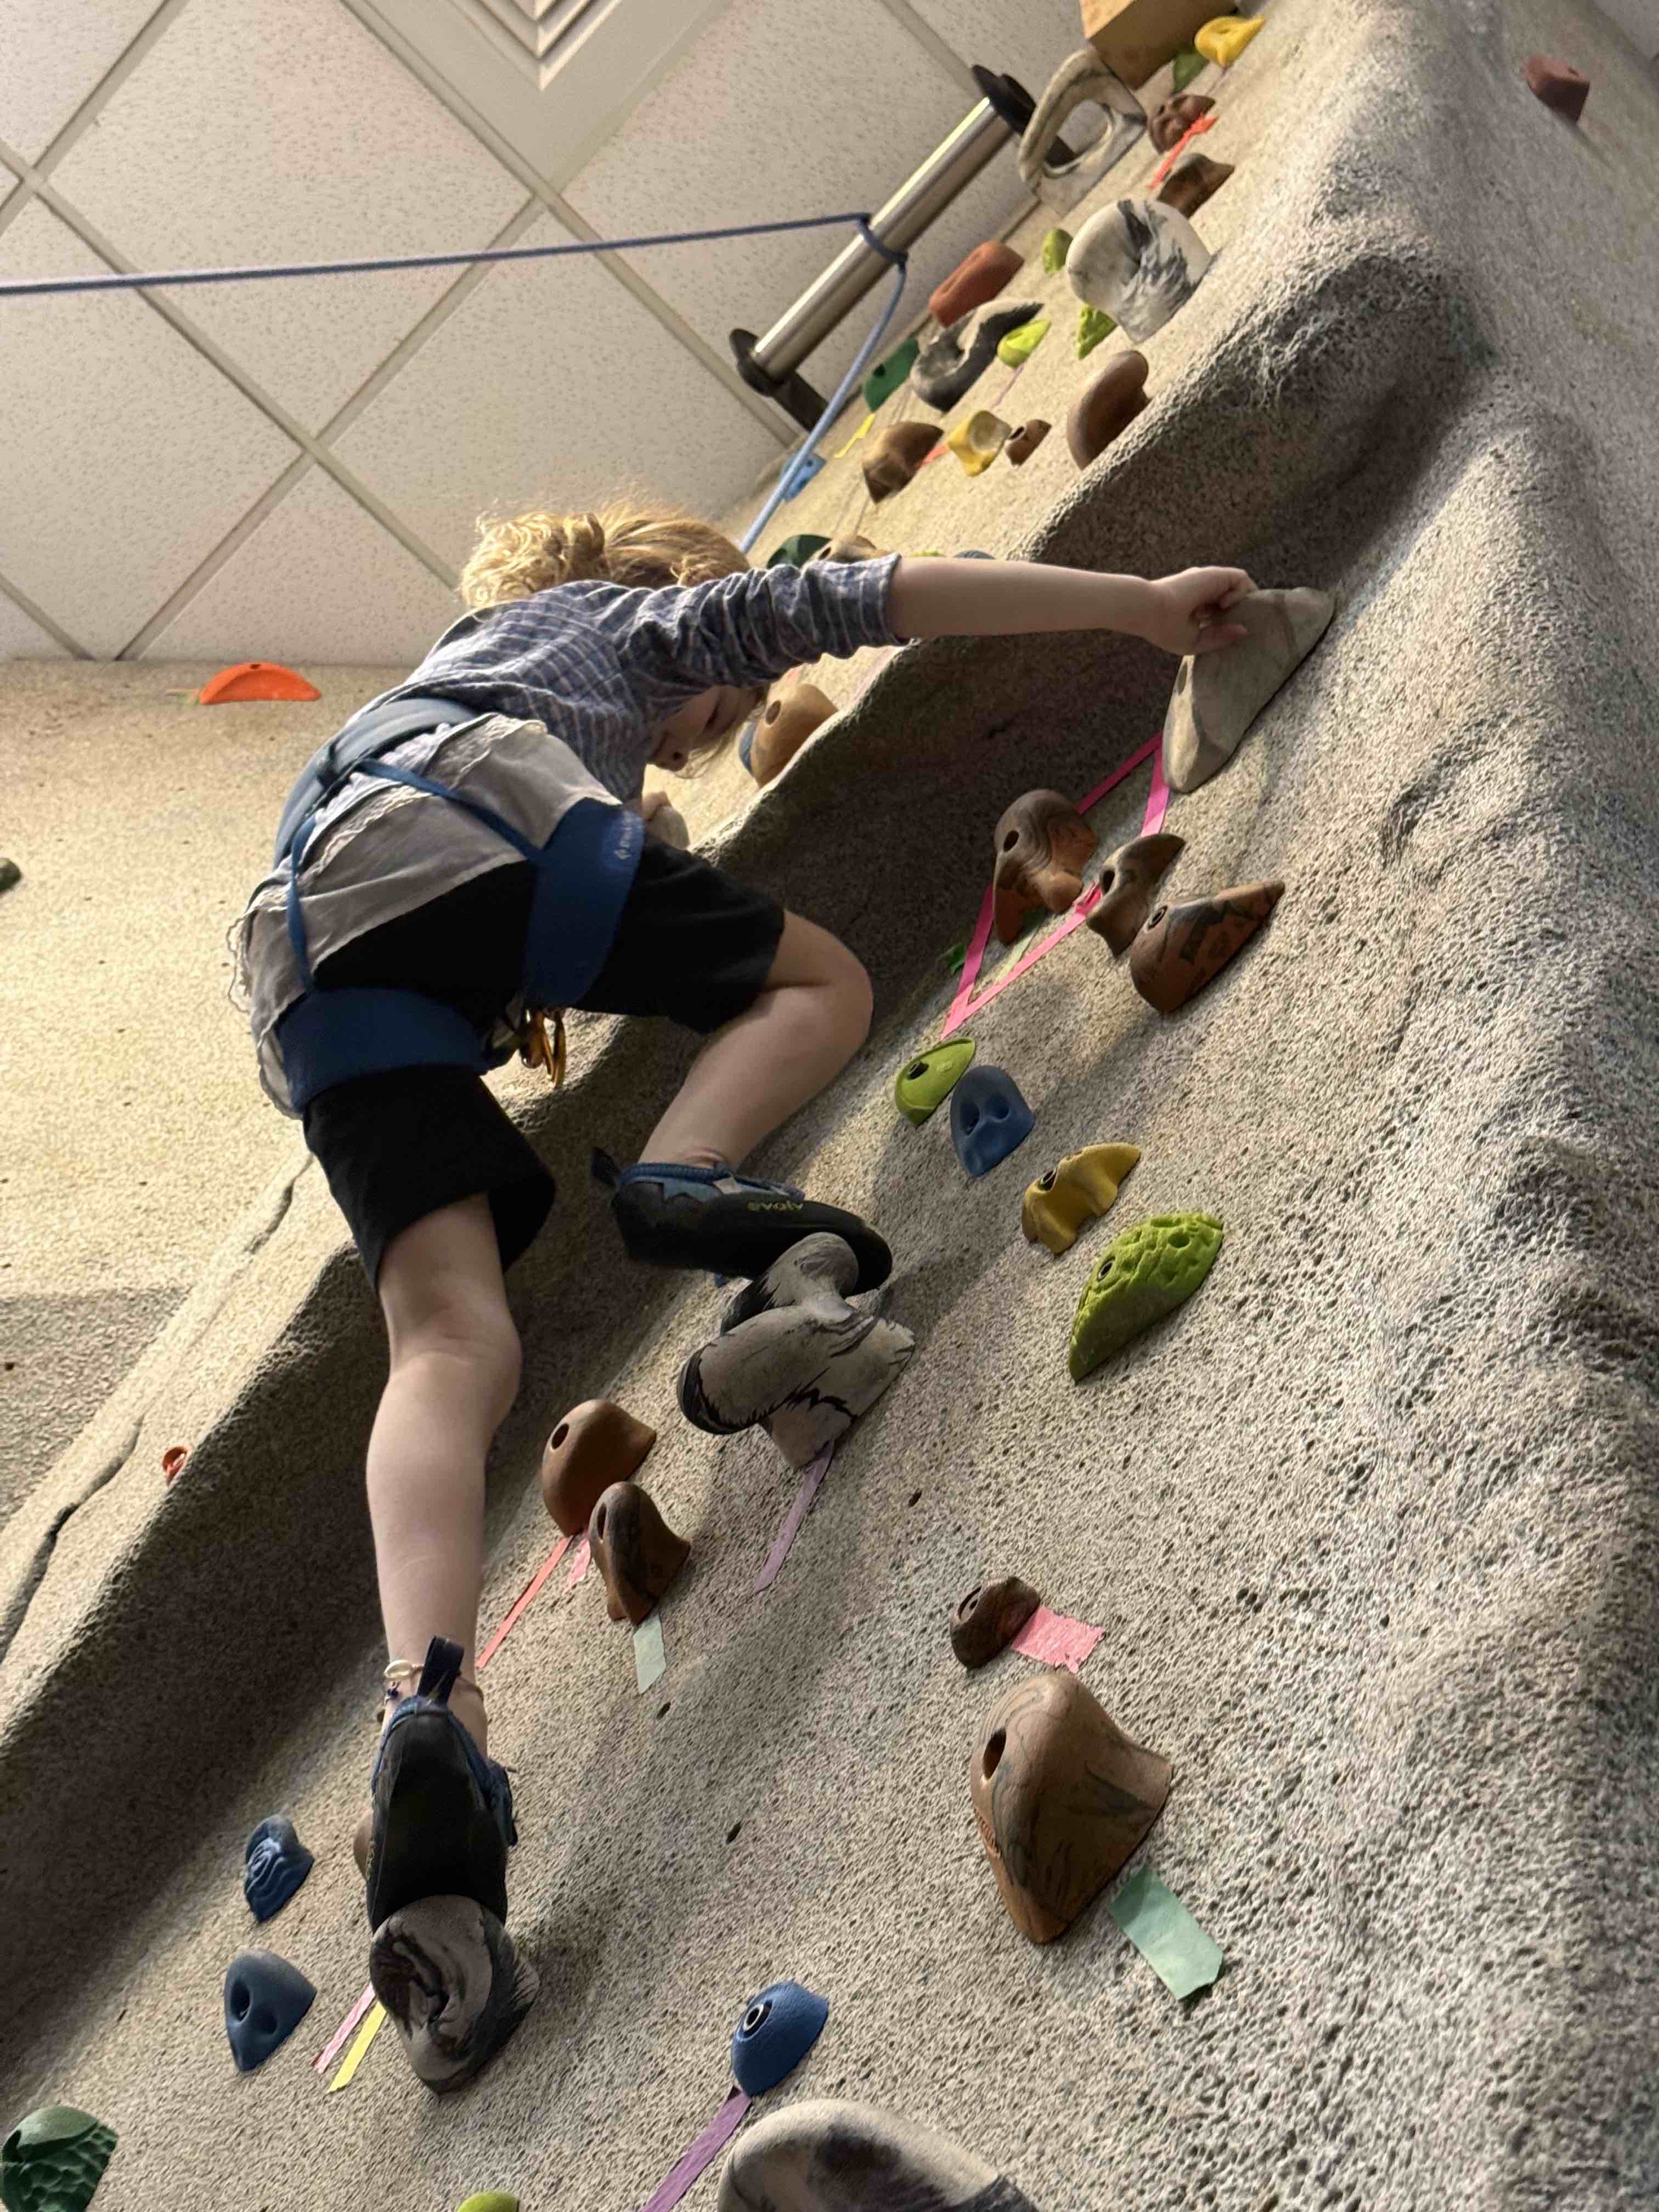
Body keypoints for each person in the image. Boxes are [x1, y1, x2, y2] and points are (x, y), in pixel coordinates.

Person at [231, 503, 1251, 1944]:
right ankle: (688, 1174)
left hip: (304, 962)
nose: (708, 737)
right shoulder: (620, 626)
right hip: (472, 820)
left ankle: (432, 1703)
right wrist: (1138, 599)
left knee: (444, 1342)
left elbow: (497, 896)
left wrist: (626, 818)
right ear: (666, 596)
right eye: (721, 718)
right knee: (816, 987)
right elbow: (884, 595)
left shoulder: (451, 685)